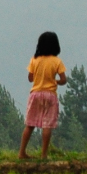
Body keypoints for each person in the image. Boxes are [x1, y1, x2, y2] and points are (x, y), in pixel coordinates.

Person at [19, 31, 67, 160]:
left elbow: (30, 78)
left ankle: (22, 152)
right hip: (50, 95)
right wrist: (54, 81)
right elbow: (63, 80)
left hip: (35, 94)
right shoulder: (57, 61)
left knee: (30, 124)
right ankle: (43, 154)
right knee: (47, 125)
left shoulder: (34, 60)